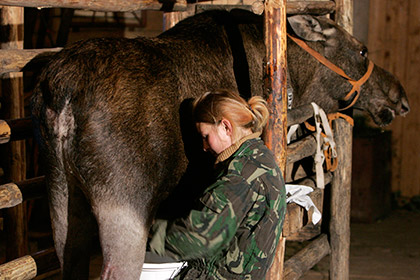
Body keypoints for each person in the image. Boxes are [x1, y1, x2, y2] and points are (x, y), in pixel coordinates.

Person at [149, 89, 286, 279]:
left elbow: (199, 238)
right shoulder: (261, 157)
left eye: (206, 136)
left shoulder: (240, 175)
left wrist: (145, 234)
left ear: (226, 127)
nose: (204, 146)